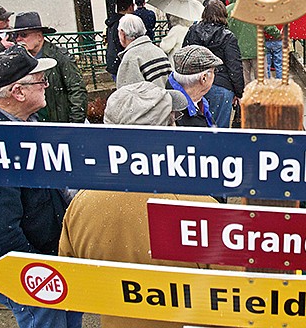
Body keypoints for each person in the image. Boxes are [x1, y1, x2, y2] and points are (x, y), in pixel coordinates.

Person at [59, 82, 221, 328]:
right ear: (164, 135)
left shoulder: (81, 203)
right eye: (173, 121)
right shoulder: (199, 207)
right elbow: (232, 291)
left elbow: (74, 276)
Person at [0, 44, 82, 328]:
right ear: (18, 92)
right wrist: (38, 275)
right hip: (36, 276)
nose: (47, 85)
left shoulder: (28, 125)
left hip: (56, 262)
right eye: (41, 80)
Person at [4, 11, 87, 123]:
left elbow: (77, 91)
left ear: (39, 36)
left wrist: (74, 126)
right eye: (16, 35)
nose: (18, 39)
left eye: (24, 35)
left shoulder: (60, 57)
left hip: (58, 122)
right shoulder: (17, 60)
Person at [182, 0, 244, 127]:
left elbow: (185, 58)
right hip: (221, 86)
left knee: (196, 126)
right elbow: (235, 67)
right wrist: (239, 93)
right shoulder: (228, 37)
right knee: (219, 130)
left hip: (195, 84)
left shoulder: (193, 31)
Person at [226, 0, 281, 85]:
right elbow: (268, 26)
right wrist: (277, 34)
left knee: (244, 81)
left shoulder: (227, 11)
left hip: (238, 52)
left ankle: (247, 99)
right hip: (257, 50)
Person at [167, 45, 223, 127]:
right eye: (214, 71)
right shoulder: (186, 120)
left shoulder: (195, 102)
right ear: (204, 78)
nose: (215, 74)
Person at [115, 14, 172, 89]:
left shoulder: (130, 58)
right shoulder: (158, 51)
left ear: (122, 34)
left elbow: (126, 96)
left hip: (152, 100)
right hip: (166, 99)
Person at [104, 0, 137, 79]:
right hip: (121, 64)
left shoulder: (112, 22)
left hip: (113, 62)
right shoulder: (124, 24)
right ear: (130, 7)